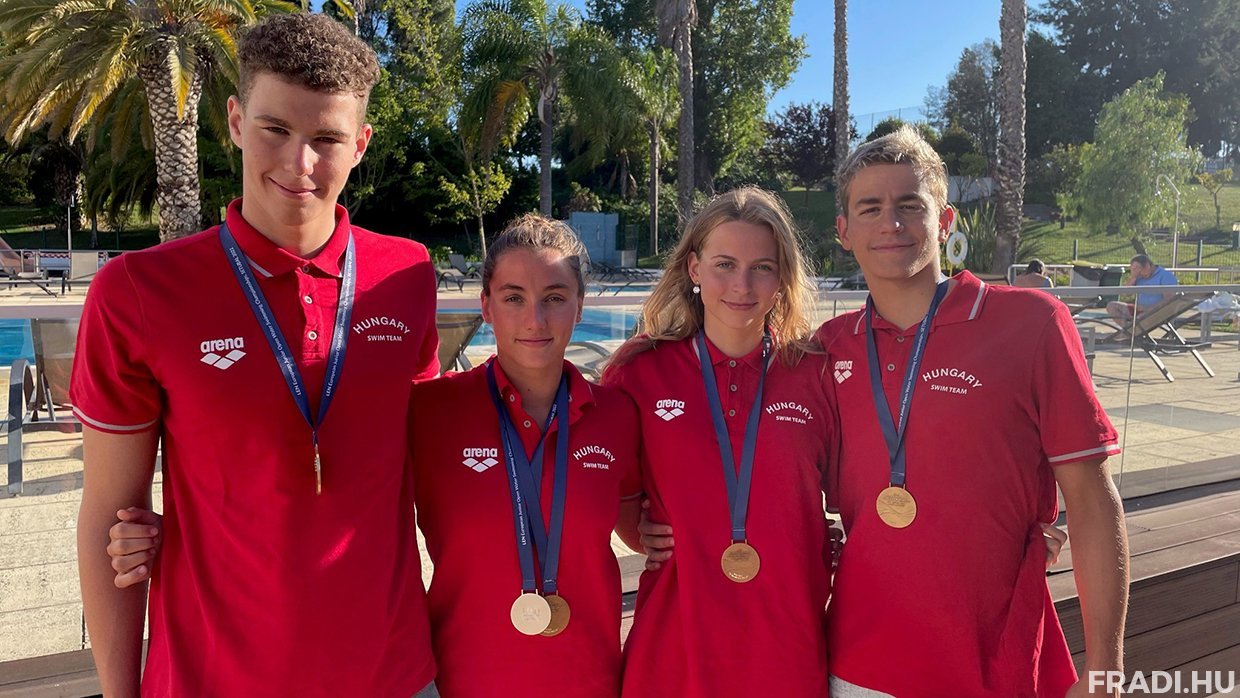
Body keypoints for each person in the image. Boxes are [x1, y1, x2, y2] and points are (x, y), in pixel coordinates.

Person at [73, 13, 440, 696]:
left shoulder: (407, 274)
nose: (300, 164)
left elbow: (436, 461)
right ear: (237, 122)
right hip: (210, 678)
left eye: (326, 139)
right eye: (276, 129)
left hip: (390, 674)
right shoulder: (139, 292)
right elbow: (109, 517)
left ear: (360, 144)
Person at [817, 126, 1128, 697]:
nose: (891, 223)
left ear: (945, 221)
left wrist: (1106, 668)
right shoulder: (829, 346)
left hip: (997, 663)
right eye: (871, 208)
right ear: (844, 231)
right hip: (858, 665)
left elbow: (1091, 499)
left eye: (910, 205)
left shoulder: (1030, 323)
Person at [603, 187, 837, 697]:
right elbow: (613, 492)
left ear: (783, 277)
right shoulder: (640, 372)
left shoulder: (816, 373)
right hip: (674, 651)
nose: (742, 285)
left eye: (762, 268)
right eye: (725, 264)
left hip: (785, 651)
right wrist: (640, 532)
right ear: (694, 268)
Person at [409, 215, 643, 697]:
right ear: (486, 306)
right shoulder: (430, 412)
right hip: (463, 679)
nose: (535, 319)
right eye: (513, 297)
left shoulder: (618, 415)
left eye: (554, 297)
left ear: (580, 305)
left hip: (588, 679)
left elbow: (635, 524)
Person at [1106, 253, 1178, 321]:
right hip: (1139, 309)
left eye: (1140, 271)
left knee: (1141, 318)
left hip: (1156, 311)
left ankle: (1134, 326)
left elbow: (1169, 299)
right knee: (1111, 306)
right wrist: (1133, 277)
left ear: (1147, 265)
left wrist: (1148, 309)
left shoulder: (1166, 276)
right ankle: (1128, 328)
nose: (1140, 274)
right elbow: (1125, 294)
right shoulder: (1139, 276)